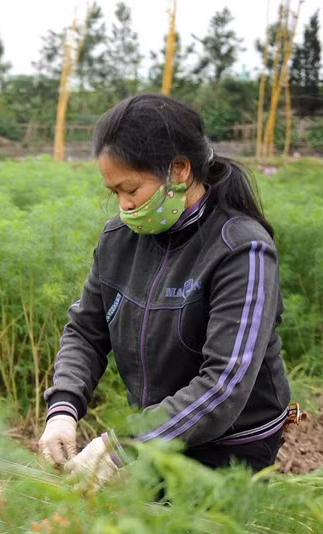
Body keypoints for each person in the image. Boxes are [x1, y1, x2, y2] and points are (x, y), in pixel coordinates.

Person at [38, 94, 291, 486]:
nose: (123, 205)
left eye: (131, 189)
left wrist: (124, 445)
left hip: (229, 451)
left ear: (178, 170)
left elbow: (225, 383)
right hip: (158, 434)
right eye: (114, 193)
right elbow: (87, 331)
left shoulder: (242, 249)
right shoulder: (119, 240)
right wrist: (63, 408)